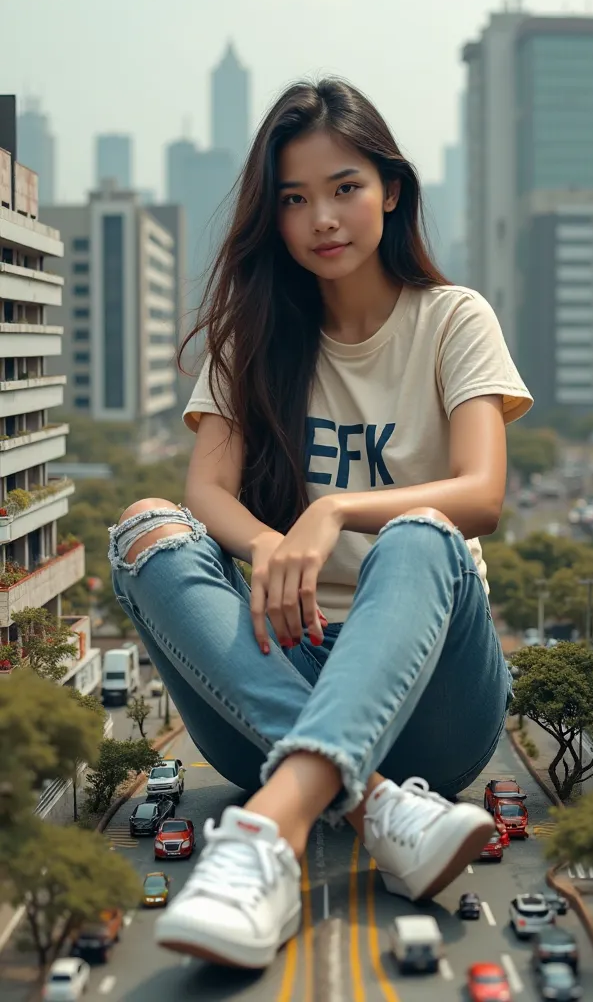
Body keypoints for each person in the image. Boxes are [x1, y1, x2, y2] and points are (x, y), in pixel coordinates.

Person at [108, 77, 532, 969]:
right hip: (275, 672)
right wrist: (266, 543)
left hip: (433, 694)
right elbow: (205, 495)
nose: (322, 219)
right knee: (144, 528)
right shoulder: (250, 335)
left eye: (344, 188)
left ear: (392, 190)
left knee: (420, 532)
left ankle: (266, 837)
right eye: (295, 200)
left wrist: (333, 508)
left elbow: (482, 492)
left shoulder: (454, 319)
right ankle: (377, 805)